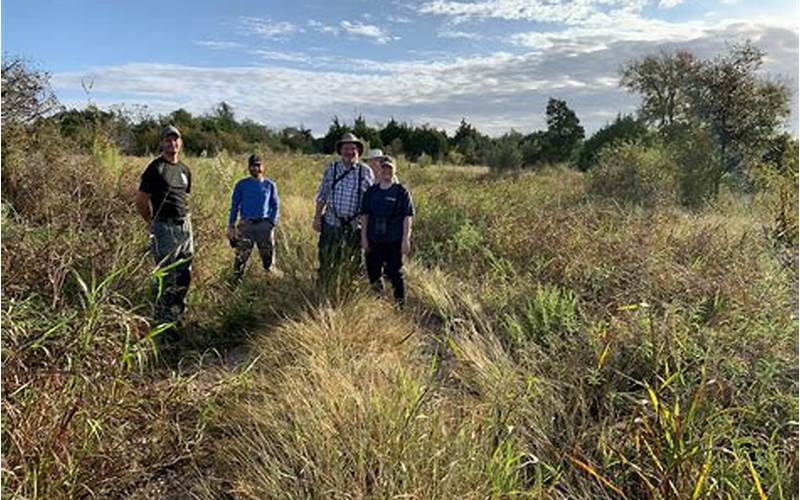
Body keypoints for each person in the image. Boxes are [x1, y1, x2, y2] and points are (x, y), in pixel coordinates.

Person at [135, 125, 194, 327]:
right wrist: (152, 222)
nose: (172, 143)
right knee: (167, 275)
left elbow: (183, 197)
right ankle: (162, 321)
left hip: (184, 227)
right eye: (168, 140)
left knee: (185, 272)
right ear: (162, 142)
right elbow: (141, 200)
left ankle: (179, 314)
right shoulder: (155, 168)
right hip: (164, 227)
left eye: (175, 139)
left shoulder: (184, 170)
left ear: (181, 142)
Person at [313, 132, 374, 286]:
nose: (349, 152)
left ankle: (349, 293)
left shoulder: (365, 171)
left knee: (353, 262)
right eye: (346, 148)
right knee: (327, 259)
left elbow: (371, 202)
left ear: (358, 151)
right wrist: (317, 217)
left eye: (353, 148)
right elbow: (322, 194)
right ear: (340, 151)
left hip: (355, 225)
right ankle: (324, 289)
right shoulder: (332, 168)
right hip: (331, 222)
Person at [359, 156, 414, 305]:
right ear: (379, 170)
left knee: (394, 273)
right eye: (383, 168)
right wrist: (363, 238)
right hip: (374, 239)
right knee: (373, 271)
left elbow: (407, 217)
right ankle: (379, 301)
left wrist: (405, 239)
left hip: (394, 240)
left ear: (394, 170)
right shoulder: (371, 192)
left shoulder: (401, 191)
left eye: (389, 168)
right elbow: (365, 215)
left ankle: (400, 305)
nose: (386, 171)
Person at [227, 154, 280, 282]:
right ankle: (235, 286)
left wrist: (271, 222)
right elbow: (234, 205)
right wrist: (231, 226)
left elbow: (276, 205)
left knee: (268, 259)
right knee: (240, 259)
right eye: (252, 166)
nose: (255, 169)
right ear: (249, 168)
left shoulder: (270, 185)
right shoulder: (241, 185)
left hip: (264, 226)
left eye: (258, 165)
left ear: (263, 167)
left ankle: (270, 286)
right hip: (246, 226)